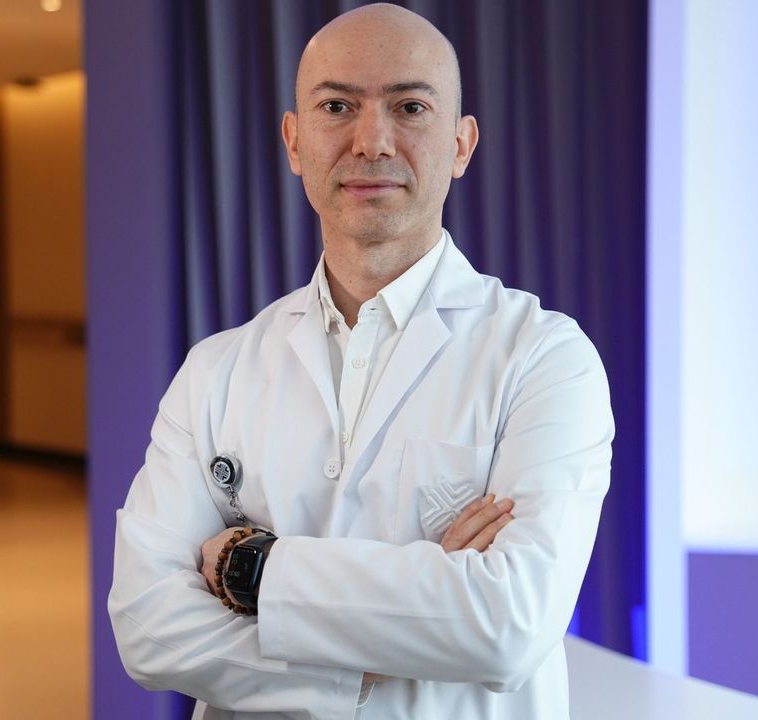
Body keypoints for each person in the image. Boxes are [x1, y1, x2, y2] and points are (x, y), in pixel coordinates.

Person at [109, 4, 613, 718]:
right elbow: (148, 627)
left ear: (462, 145)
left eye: (410, 107)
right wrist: (374, 655)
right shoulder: (216, 370)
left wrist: (253, 570)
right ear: (294, 141)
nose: (371, 141)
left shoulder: (544, 358)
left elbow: (509, 625)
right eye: (337, 106)